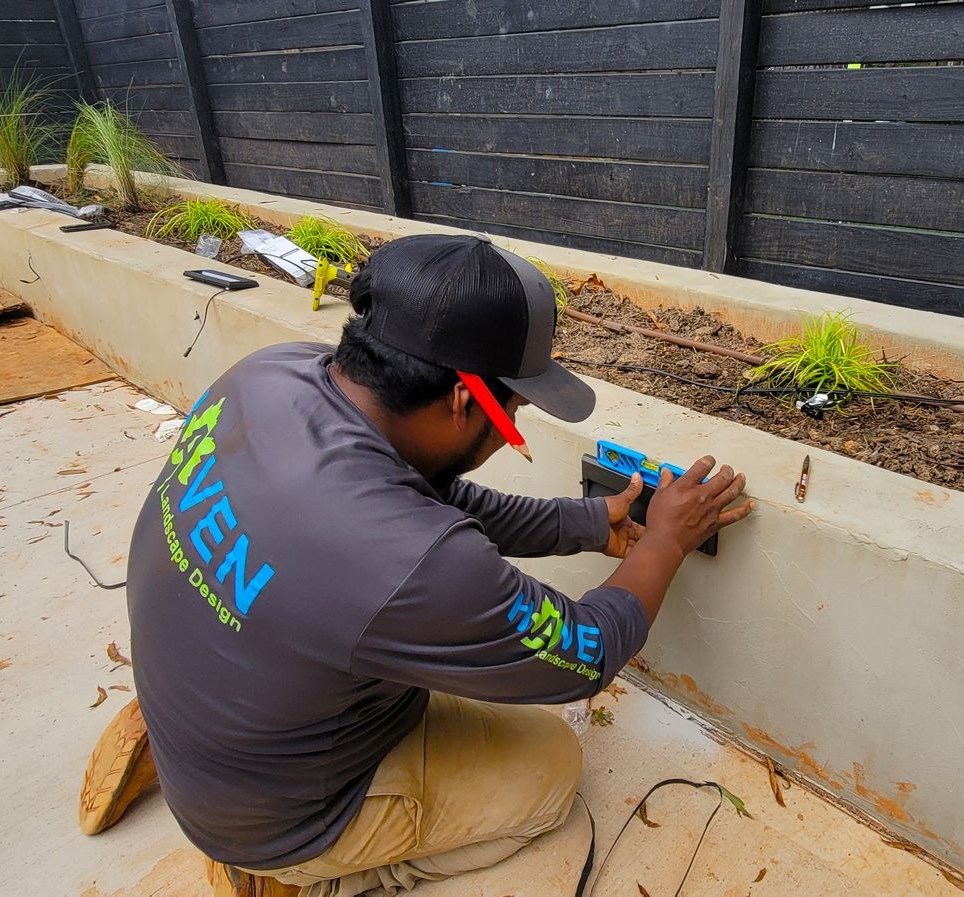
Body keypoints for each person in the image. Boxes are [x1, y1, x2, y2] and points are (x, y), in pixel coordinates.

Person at [78, 234, 754, 897]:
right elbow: (584, 655)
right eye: (515, 411)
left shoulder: (272, 374)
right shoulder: (413, 562)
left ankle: (179, 735)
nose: (515, 423)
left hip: (209, 684)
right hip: (274, 813)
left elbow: (421, 494)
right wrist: (665, 542)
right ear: (466, 400)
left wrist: (583, 522)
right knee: (551, 772)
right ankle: (298, 874)